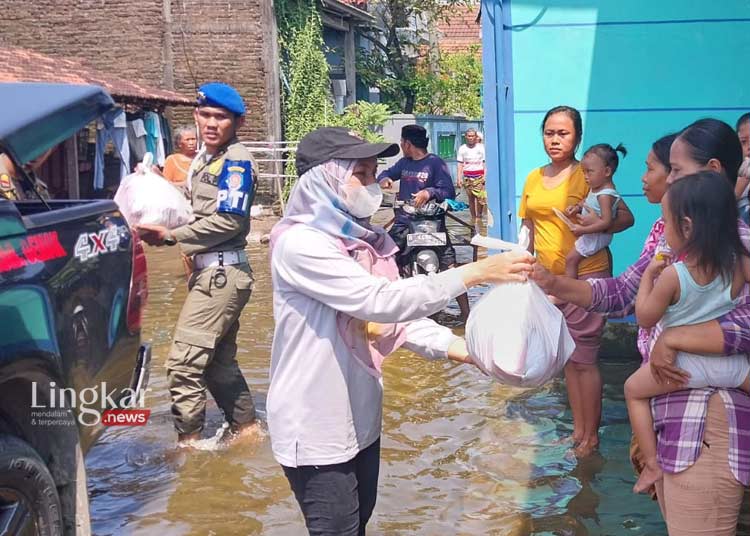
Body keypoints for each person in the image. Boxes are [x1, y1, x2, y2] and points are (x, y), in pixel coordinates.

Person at [267, 127, 535, 536]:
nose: (373, 185)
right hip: (316, 424)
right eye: (362, 173)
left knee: (359, 523)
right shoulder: (302, 245)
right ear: (325, 178)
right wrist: (477, 271)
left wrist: (464, 350)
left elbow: (390, 322)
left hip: (359, 418)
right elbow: (381, 301)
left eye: (375, 172)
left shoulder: (360, 243)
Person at [532, 119, 750, 535]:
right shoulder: (670, 238)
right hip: (675, 416)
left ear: (714, 172)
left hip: (707, 418)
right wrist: (554, 282)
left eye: (674, 169)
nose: (662, 178)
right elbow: (624, 293)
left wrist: (677, 337)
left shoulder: (738, 241)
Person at [135, 82, 259, 446]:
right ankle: (248, 434)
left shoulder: (236, 161)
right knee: (218, 366)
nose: (211, 123)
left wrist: (173, 237)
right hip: (209, 271)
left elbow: (231, 222)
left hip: (222, 273)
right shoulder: (205, 159)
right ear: (195, 116)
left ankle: (188, 450)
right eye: (205, 115)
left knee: (182, 366)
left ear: (237, 122)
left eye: (221, 117)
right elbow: (197, 209)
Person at [519, 105, 634, 457]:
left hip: (586, 277)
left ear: (577, 138)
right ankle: (578, 434)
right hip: (549, 280)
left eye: (563, 133)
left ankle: (591, 438)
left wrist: (592, 228)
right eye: (549, 132)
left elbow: (625, 217)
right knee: (569, 358)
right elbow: (529, 228)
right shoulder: (534, 178)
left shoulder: (587, 174)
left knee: (585, 358)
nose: (554, 139)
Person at [626, 172, 750, 494]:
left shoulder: (674, 276)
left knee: (632, 392)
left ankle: (652, 464)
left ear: (687, 227)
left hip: (679, 367)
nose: (663, 229)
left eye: (666, 222)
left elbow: (644, 318)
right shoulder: (739, 265)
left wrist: (648, 278)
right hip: (733, 365)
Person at [377, 124, 470, 320]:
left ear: (407, 143)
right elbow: (385, 174)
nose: (402, 145)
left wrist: (429, 192)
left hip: (432, 222)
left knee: (449, 265)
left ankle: (466, 314)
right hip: (404, 222)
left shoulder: (436, 163)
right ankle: (388, 309)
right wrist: (384, 179)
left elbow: (448, 191)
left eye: (402, 142)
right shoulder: (403, 164)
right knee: (386, 259)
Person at [564, 143, 626, 278]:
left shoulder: (605, 195)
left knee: (571, 260)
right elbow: (588, 202)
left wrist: (582, 230)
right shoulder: (597, 188)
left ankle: (570, 290)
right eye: (583, 172)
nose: (585, 176)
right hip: (592, 234)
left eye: (589, 172)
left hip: (595, 237)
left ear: (607, 172)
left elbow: (606, 222)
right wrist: (577, 208)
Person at [456, 128, 486, 223]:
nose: (471, 138)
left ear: (476, 137)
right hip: (467, 177)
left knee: (480, 198)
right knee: (471, 198)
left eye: (473, 136)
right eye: (469, 136)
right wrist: (459, 178)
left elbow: (485, 162)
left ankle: (479, 216)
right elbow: (460, 164)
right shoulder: (462, 148)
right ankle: (473, 218)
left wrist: (485, 175)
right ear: (466, 137)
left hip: (479, 176)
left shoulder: (481, 148)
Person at [734, 113, 750, 224]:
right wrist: (744, 178)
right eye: (743, 142)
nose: (749, 147)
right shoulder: (735, 172)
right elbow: (723, 208)